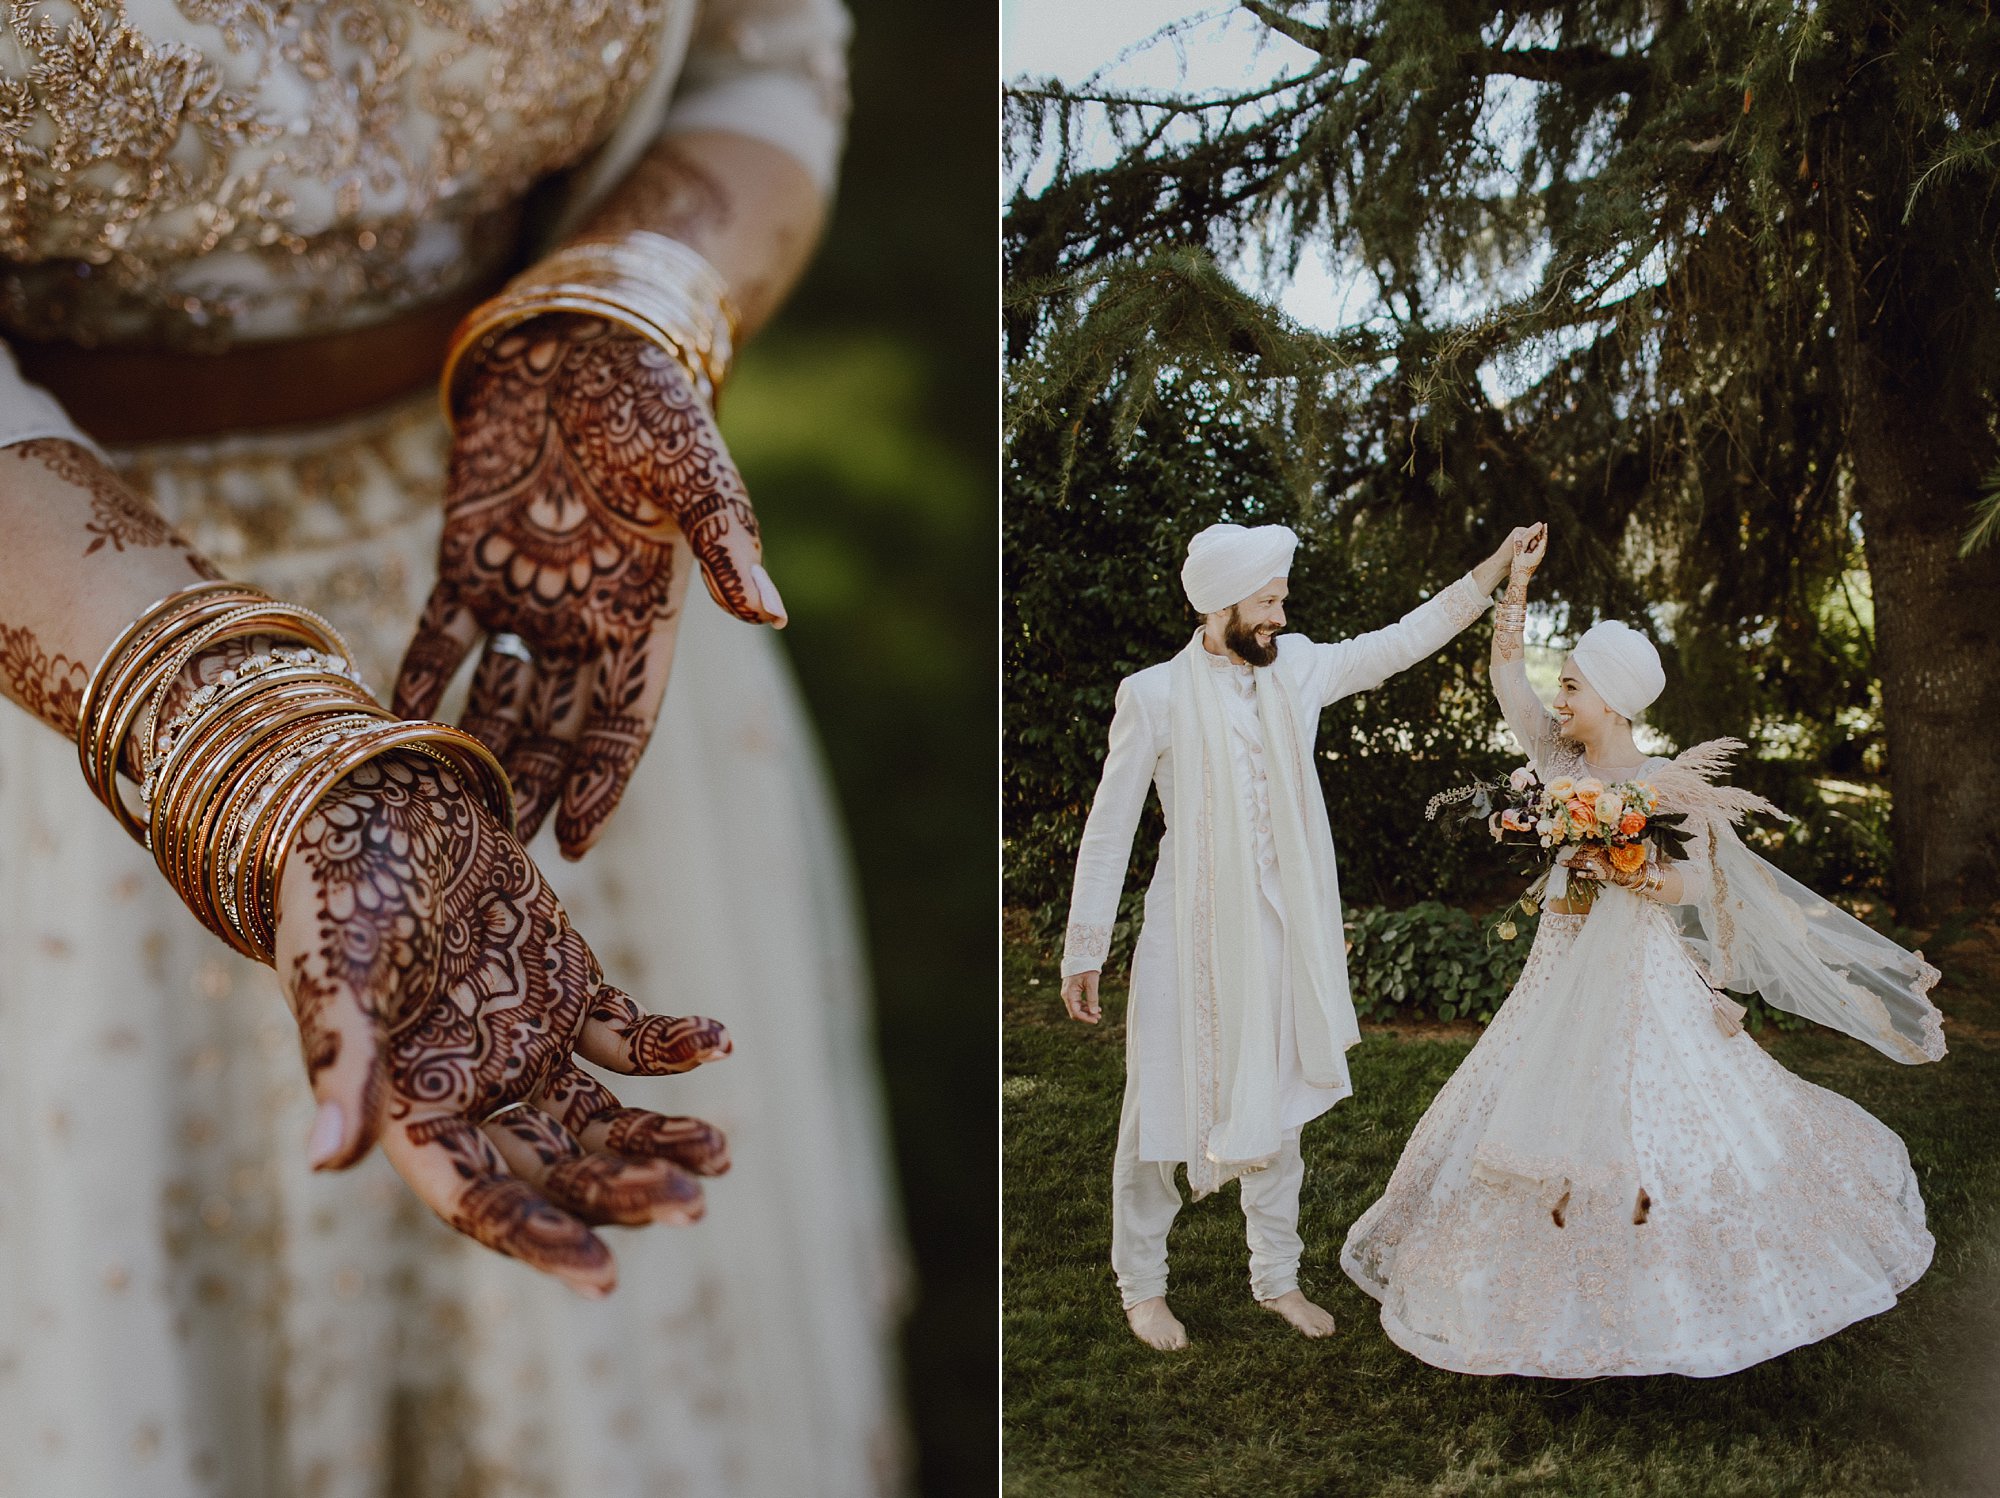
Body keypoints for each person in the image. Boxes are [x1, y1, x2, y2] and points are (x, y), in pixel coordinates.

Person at [0, 0, 906, 1492]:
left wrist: (625, 308)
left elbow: (763, 57)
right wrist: (244, 740)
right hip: (68, 640)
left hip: (558, 627)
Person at [1340, 523, 1944, 1378]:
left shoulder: (1665, 785)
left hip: (1638, 978)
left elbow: (1704, 888)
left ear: (1614, 703)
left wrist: (1632, 871)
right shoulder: (1553, 763)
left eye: (1573, 686)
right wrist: (1514, 586)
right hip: (1558, 970)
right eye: (1563, 684)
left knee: (1661, 1118)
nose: (1558, 699)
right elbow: (1503, 675)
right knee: (1529, 1109)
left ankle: (1682, 1289)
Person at [1058, 519, 1529, 1350]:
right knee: (1157, 1111)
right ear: (1222, 602)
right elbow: (1110, 826)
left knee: (1278, 1113)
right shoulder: (1153, 695)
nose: (1282, 610)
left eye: (1281, 596)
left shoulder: (1300, 668)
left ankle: (1276, 1278)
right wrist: (1085, 947)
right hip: (1187, 935)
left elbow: (1400, 643)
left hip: (1282, 933)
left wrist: (1491, 568)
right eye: (1269, 598)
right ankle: (1142, 1288)